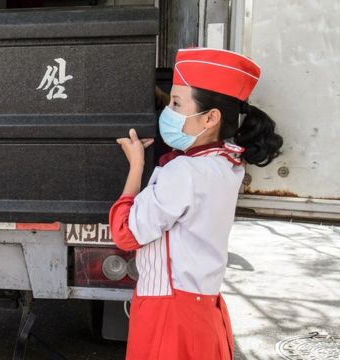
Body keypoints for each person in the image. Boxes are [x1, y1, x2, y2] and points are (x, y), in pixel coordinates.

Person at [109, 48, 283, 359]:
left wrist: (136, 165)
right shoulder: (227, 162)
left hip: (169, 314)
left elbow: (125, 233)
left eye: (176, 104)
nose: (169, 112)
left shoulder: (185, 171)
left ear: (211, 118)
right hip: (203, 311)